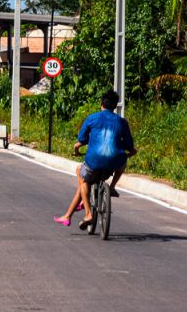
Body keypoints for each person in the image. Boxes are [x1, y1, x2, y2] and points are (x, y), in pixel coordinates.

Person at [54, 90, 137, 228]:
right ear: (115, 106)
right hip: (116, 161)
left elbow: (82, 139)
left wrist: (77, 148)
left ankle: (87, 213)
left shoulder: (92, 118)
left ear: (101, 104)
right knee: (123, 161)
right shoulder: (122, 122)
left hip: (94, 161)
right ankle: (112, 187)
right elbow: (129, 145)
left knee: (82, 177)